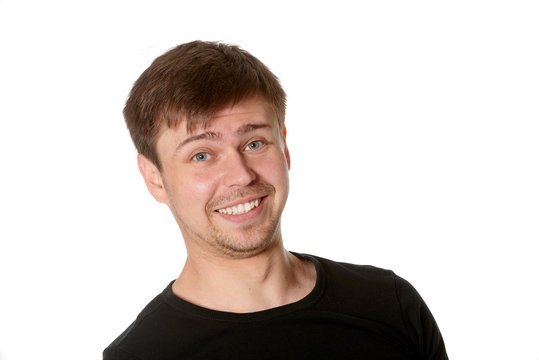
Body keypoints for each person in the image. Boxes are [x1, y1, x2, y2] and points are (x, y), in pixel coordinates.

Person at [103, 40, 448, 359]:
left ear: (284, 146)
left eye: (254, 144)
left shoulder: (389, 304)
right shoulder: (140, 354)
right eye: (202, 155)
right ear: (154, 178)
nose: (241, 175)